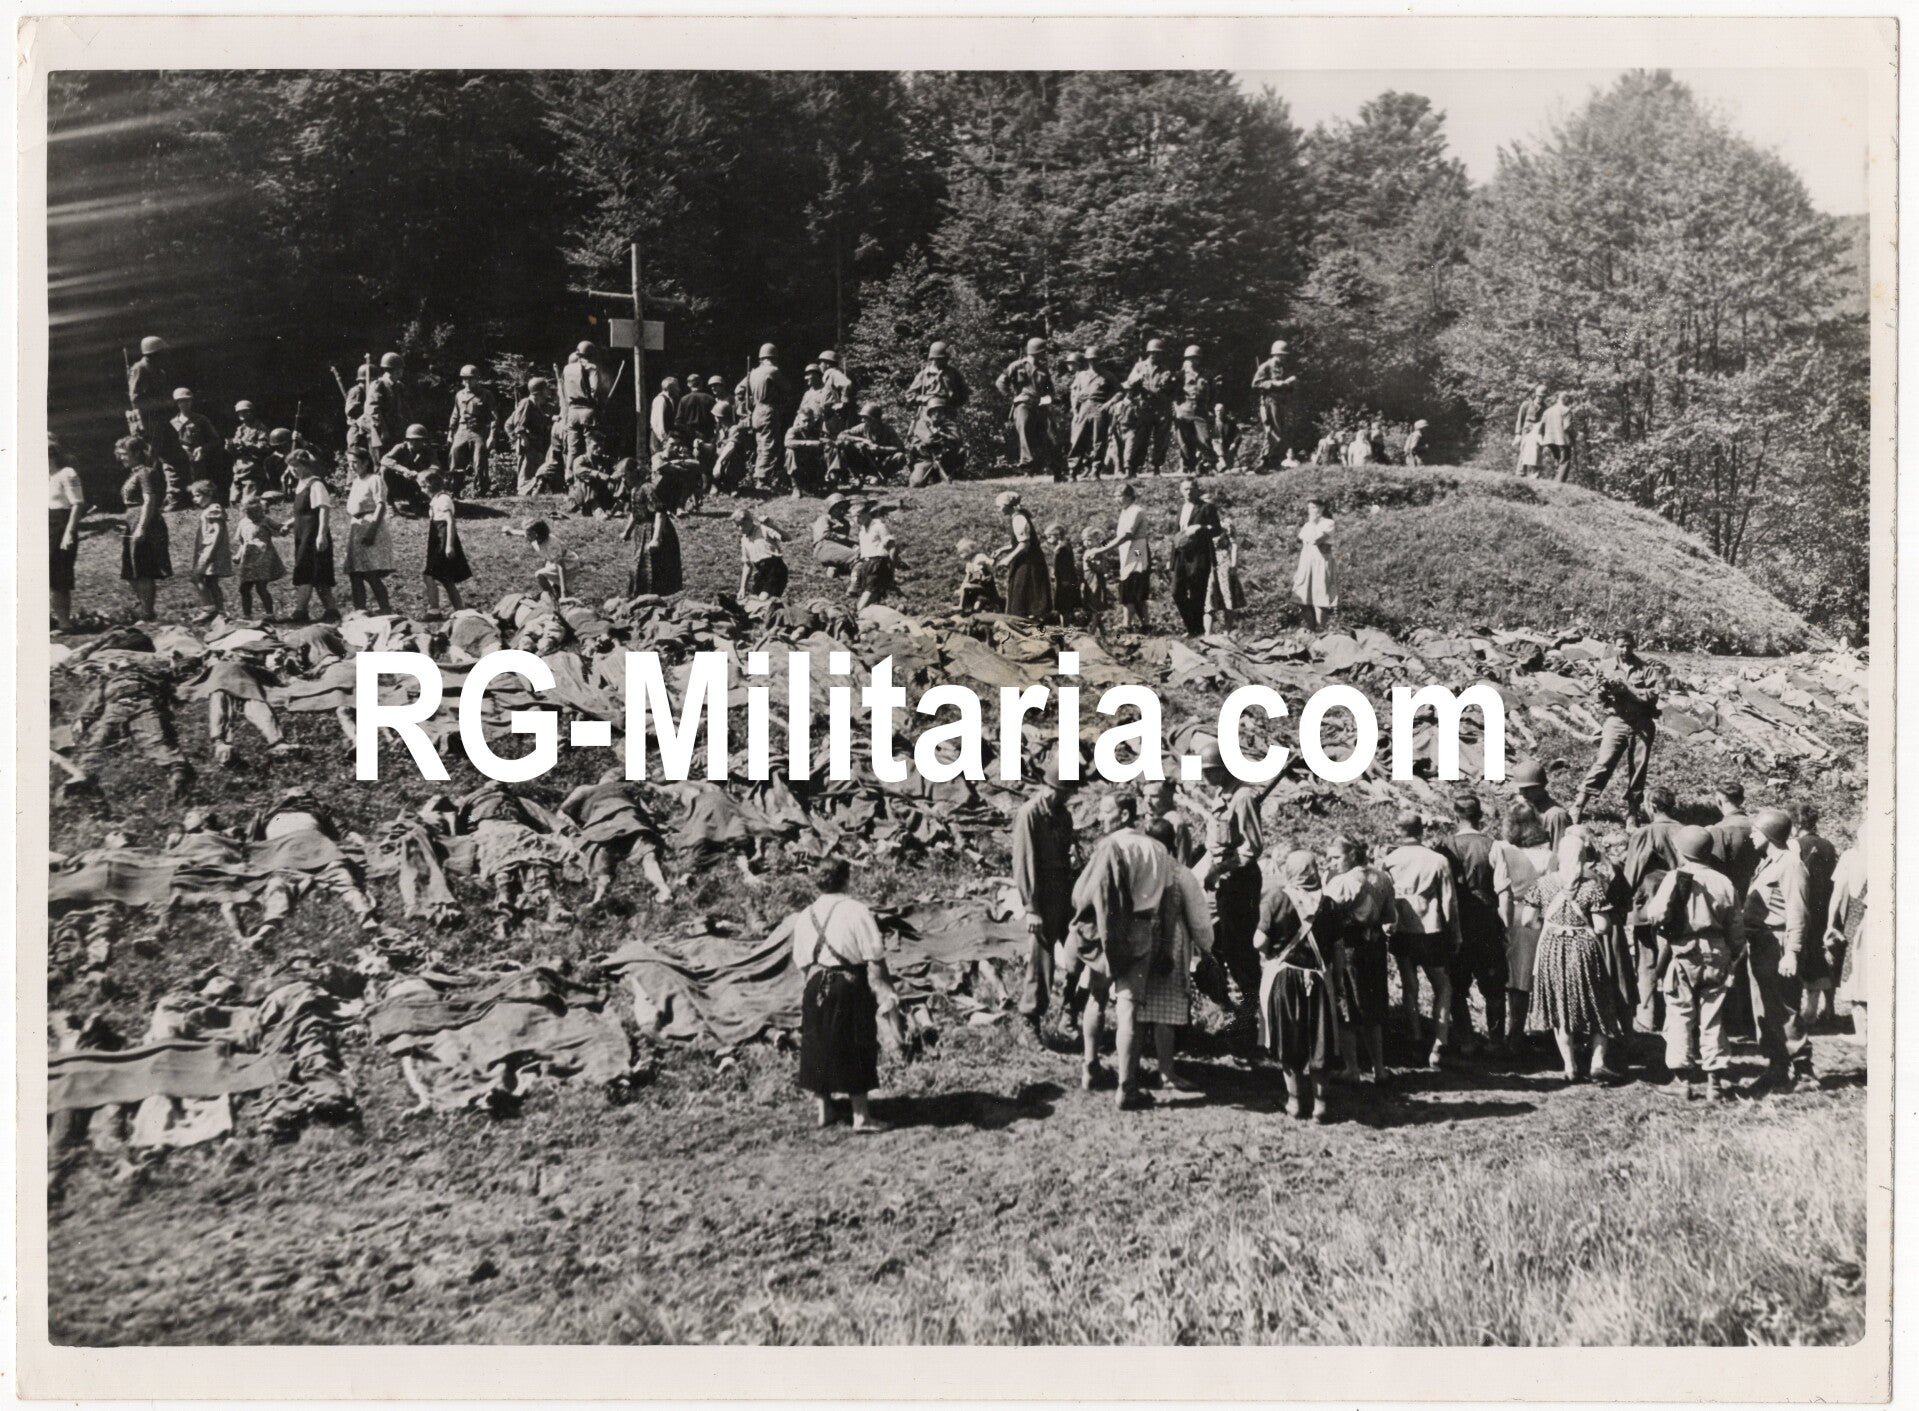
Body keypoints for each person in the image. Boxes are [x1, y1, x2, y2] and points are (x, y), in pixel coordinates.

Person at [1068, 791, 1170, 1109]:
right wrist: (1164, 944)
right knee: (1128, 1009)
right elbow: (1165, 903)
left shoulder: (1108, 847)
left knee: (1096, 997)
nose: (1101, 818)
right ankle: (1127, 1087)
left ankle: (1090, 1067)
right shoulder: (1158, 849)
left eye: (1106, 811)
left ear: (1124, 815)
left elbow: (1084, 893)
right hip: (1142, 929)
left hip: (1106, 927)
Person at [788, 858, 900, 1133]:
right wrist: (886, 991)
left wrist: (813, 987)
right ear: (846, 879)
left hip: (815, 984)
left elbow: (801, 961)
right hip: (849, 985)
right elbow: (874, 956)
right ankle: (861, 1117)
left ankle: (824, 1111)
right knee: (857, 1045)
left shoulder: (806, 914)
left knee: (818, 1046)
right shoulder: (856, 910)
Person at [1647, 825, 1742, 1100]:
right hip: (1717, 951)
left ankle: (1682, 1080)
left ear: (1682, 851)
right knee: (1713, 1017)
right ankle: (1715, 1082)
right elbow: (1735, 923)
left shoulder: (1675, 877)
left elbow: (1657, 914)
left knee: (1679, 1014)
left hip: (1682, 952)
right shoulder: (1724, 881)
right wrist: (1733, 953)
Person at [1525, 828, 1626, 1083]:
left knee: (1561, 1005)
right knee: (1598, 1002)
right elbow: (1602, 927)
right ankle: (1597, 1061)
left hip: (1551, 946)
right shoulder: (1591, 887)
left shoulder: (1544, 883)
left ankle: (1569, 1066)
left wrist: (1548, 928)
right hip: (1583, 947)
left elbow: (1528, 920)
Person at [1254, 850, 1343, 1120]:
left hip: (1285, 978)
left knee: (1287, 1038)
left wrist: (1268, 953)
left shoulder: (1276, 899)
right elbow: (1338, 950)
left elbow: (1259, 942)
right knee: (1320, 1040)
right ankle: (1321, 1104)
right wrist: (1337, 983)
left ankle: (1294, 1102)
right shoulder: (1329, 905)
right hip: (1317, 978)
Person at [1743, 807, 1816, 1091]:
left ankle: (1804, 1071)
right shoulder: (1768, 863)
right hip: (1761, 944)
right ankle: (1777, 1066)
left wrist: (1792, 952)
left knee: (1784, 1008)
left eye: (1755, 831)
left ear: (1769, 834)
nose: (1750, 835)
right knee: (1766, 1009)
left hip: (1779, 945)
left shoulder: (1790, 864)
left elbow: (1798, 912)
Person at [1142, 816, 1213, 1092]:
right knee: (1166, 1010)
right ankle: (1166, 1071)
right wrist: (1206, 947)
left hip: (1139, 937)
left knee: (1137, 1005)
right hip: (1171, 942)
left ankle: (1132, 1068)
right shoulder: (1181, 872)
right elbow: (1199, 918)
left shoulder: (1139, 866)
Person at [1012, 756, 1080, 1041]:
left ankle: (1071, 1013)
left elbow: (1068, 851)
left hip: (1066, 891)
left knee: (1081, 952)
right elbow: (1023, 861)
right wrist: (1031, 907)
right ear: (1053, 788)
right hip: (1042, 895)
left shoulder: (1063, 815)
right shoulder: (1030, 814)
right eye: (1066, 792)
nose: (1068, 797)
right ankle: (1030, 1022)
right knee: (1042, 961)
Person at [1381, 814, 1457, 1068]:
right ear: (1421, 830)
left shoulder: (1389, 861)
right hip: (1431, 930)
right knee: (1443, 987)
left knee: (1410, 987)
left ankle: (1414, 1039)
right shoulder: (1438, 860)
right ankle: (1439, 1043)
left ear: (1398, 830)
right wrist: (1455, 933)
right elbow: (1449, 902)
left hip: (1402, 930)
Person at [1198, 743, 1265, 1031]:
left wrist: (1217, 870)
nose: (1205, 777)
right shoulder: (1222, 796)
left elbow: (1251, 849)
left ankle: (1252, 1014)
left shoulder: (1243, 798)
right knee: (1213, 945)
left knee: (1240, 950)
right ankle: (1230, 1006)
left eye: (1209, 771)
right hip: (1222, 882)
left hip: (1239, 882)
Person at [1441, 794, 1511, 1056]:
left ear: (1455, 816)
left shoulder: (1445, 846)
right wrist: (1504, 925)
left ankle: (1466, 1039)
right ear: (1480, 816)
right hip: (1486, 921)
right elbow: (1503, 890)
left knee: (1458, 984)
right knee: (1493, 984)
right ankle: (1496, 1041)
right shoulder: (1494, 846)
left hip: (1457, 919)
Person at [1321, 835, 1392, 1084]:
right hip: (1375, 946)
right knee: (1373, 1006)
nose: (1331, 862)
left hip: (1349, 948)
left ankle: (1352, 1069)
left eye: (1336, 857)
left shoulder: (1341, 882)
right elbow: (1389, 915)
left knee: (1347, 1006)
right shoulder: (1382, 877)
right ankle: (1379, 1069)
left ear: (1351, 855)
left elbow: (1325, 917)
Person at [1573, 630, 1662, 824]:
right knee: (1604, 762)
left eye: (1629, 645)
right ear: (1614, 646)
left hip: (1642, 723)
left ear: (1635, 645)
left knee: (1638, 768)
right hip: (1617, 721)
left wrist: (1627, 689)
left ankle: (1632, 811)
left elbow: (1652, 697)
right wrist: (1603, 691)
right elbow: (1597, 694)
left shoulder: (1646, 669)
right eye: (1621, 645)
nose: (1625, 649)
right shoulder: (1605, 666)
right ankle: (1580, 802)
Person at [1620, 786, 1686, 1034]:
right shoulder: (1685, 831)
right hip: (1679, 904)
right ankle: (1676, 1016)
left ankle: (1646, 1016)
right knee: (1674, 959)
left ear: (1652, 806)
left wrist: (1622, 900)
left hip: (1648, 904)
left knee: (1647, 960)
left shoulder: (1645, 833)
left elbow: (1632, 872)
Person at [560, 767, 672, 905]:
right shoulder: (625, 787)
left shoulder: (586, 789)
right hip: (626, 817)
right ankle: (663, 889)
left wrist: (575, 827)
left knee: (601, 857)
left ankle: (598, 897)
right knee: (647, 854)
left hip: (600, 824)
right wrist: (658, 825)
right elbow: (646, 810)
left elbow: (564, 809)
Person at [1790, 803, 1840, 1027]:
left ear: (1797, 824)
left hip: (1803, 905)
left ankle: (1807, 1011)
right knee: (1820, 955)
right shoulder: (1828, 845)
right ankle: (1820, 1007)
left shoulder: (1794, 845)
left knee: (1803, 954)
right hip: (1825, 907)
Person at [116, 435, 170, 620]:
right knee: (132, 569)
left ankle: (147, 613)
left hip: (144, 522)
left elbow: (149, 500)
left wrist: (141, 527)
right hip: (132, 521)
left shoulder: (146, 472)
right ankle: (144, 607)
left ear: (137, 453)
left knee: (143, 569)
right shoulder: (135, 473)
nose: (121, 458)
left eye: (125, 454)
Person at [284, 451, 339, 623]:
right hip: (302, 535)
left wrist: (321, 534)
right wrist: (289, 523)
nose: (293, 470)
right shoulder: (300, 484)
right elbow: (303, 513)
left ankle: (300, 611)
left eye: (296, 466)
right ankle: (332, 611)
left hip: (313, 535)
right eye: (291, 467)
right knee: (318, 575)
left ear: (306, 465)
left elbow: (323, 509)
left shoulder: (315, 484)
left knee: (306, 571)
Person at [996, 337, 1059, 477]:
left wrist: (1048, 398)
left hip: (1040, 405)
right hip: (1023, 405)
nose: (1045, 354)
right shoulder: (1017, 366)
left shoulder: (1044, 370)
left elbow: (1050, 390)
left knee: (1050, 434)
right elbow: (1000, 383)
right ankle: (1027, 468)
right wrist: (1012, 399)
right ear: (1036, 352)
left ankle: (1056, 469)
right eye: (1043, 351)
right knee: (1025, 432)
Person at [1092, 483, 1152, 631]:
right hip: (1127, 550)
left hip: (1137, 550)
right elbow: (1118, 536)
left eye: (1121, 496)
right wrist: (1104, 544)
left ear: (1130, 496)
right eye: (1116, 496)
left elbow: (1126, 535)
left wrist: (1104, 549)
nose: (1118, 499)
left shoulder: (1136, 511)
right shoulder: (1125, 512)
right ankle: (1138, 624)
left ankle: (1131, 624)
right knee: (1130, 587)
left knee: (1132, 586)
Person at [1827, 839, 1868, 1043]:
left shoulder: (1851, 857)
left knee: (1855, 970)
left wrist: (1829, 925)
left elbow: (1837, 892)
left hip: (1858, 917)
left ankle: (1863, 1032)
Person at [343, 454, 395, 614]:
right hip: (356, 527)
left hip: (371, 525)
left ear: (366, 463)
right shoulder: (356, 481)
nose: (352, 466)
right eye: (349, 462)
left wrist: (372, 530)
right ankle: (360, 610)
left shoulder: (375, 479)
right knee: (355, 572)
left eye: (355, 462)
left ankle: (385, 609)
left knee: (370, 572)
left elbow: (381, 505)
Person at [622, 461, 682, 597]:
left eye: (625, 476)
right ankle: (639, 596)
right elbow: (635, 512)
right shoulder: (634, 490)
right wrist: (627, 531)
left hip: (656, 531)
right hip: (641, 531)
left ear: (633, 473)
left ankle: (656, 598)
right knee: (639, 566)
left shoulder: (647, 488)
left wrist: (656, 538)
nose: (623, 480)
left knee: (655, 567)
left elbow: (660, 512)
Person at [745, 343, 799, 490]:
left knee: (761, 445)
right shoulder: (773, 371)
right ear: (774, 357)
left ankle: (760, 476)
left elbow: (740, 389)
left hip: (756, 411)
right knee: (769, 445)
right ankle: (761, 480)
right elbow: (787, 388)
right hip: (768, 409)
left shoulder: (753, 372)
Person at [1171, 477, 1220, 636]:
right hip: (1181, 555)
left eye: (1192, 488)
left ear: (1197, 489)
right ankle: (1193, 626)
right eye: (1185, 489)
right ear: (1180, 491)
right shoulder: (1181, 509)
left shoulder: (1206, 508)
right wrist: (1172, 559)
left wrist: (1201, 527)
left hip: (1199, 555)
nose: (1189, 491)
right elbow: (1176, 534)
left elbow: (1217, 529)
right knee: (1176, 591)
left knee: (1197, 592)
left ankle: (1196, 630)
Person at [996, 490, 1052, 622]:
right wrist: (1002, 550)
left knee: (1024, 590)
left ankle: (1027, 621)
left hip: (1029, 562)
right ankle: (1025, 619)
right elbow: (1018, 543)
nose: (999, 510)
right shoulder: (1017, 517)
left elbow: (1024, 545)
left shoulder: (1019, 519)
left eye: (999, 506)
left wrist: (1007, 559)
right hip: (1025, 559)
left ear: (1007, 505)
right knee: (1020, 590)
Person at [1122, 339, 1176, 475]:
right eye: (1153, 353)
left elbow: (1171, 389)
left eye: (1158, 353)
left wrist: (1168, 382)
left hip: (1161, 407)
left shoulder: (1165, 369)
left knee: (1161, 439)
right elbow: (1129, 382)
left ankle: (1157, 467)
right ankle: (1133, 468)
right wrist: (1138, 378)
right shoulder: (1139, 366)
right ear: (1148, 352)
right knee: (1140, 438)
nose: (1155, 356)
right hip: (1144, 407)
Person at [420, 471, 470, 615]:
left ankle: (436, 610)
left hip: (443, 540)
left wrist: (449, 545)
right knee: (443, 577)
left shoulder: (443, 499)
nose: (421, 490)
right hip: (436, 540)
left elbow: (450, 521)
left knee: (433, 575)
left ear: (430, 486)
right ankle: (459, 609)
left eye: (423, 487)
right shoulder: (436, 500)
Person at [50, 444, 87, 633]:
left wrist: (69, 532)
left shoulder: (67, 473)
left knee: (59, 574)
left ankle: (65, 623)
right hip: (43, 524)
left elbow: (78, 504)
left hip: (61, 524)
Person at [447, 364, 500, 495]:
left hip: (478, 431)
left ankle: (481, 491)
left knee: (479, 461)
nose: (468, 382)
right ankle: (455, 490)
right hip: (461, 431)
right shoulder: (459, 395)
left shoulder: (486, 394)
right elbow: (455, 415)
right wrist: (450, 433)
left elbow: (494, 417)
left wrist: (491, 436)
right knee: (455, 457)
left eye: (471, 378)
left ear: (477, 379)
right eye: (465, 379)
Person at [905, 341, 970, 444]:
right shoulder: (924, 374)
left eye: (944, 359)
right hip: (927, 414)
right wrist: (924, 399)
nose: (941, 361)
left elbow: (964, 393)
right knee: (928, 441)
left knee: (956, 442)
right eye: (938, 359)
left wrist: (954, 402)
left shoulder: (953, 373)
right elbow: (909, 395)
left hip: (947, 412)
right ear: (932, 358)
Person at [506, 376, 560, 495]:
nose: (548, 391)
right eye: (546, 389)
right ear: (539, 391)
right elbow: (518, 423)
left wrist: (551, 418)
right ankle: (522, 493)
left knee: (533, 469)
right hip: (527, 443)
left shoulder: (537, 405)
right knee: (525, 470)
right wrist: (523, 439)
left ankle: (530, 493)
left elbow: (539, 420)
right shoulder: (526, 402)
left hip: (535, 443)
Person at [170, 388, 226, 502]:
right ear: (177, 403)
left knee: (199, 484)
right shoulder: (172, 422)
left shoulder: (201, 419)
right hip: (179, 459)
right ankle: (183, 502)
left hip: (197, 458)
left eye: (188, 400)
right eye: (182, 401)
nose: (185, 403)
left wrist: (202, 448)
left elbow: (216, 440)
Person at [187, 480, 233, 619]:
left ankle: (210, 609)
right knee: (211, 581)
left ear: (208, 494)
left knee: (197, 577)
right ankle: (220, 611)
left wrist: (210, 553)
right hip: (207, 550)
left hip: (211, 551)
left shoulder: (214, 509)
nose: (194, 499)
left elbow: (218, 532)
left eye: (197, 495)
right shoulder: (209, 510)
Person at [234, 498, 285, 620]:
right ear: (245, 511)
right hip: (248, 560)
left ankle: (270, 614)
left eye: (258, 511)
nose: (255, 515)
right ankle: (247, 615)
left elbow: (280, 529)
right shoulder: (243, 523)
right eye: (250, 512)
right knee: (244, 587)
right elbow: (243, 542)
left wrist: (286, 527)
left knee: (261, 586)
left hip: (263, 558)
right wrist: (238, 555)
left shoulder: (265, 521)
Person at [1068, 348, 1114, 480]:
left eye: (1095, 360)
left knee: (1099, 441)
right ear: (1087, 361)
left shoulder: (1108, 375)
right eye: (1090, 360)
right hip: (1083, 409)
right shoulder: (1081, 375)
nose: (1093, 363)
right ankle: (1073, 471)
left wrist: (1108, 404)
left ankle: (1095, 471)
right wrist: (1075, 411)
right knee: (1078, 440)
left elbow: (1120, 392)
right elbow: (1074, 395)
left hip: (1099, 408)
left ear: (1100, 360)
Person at [1708, 780, 1760, 897]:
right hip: (1758, 893)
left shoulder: (1719, 829)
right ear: (1742, 800)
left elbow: (1716, 871)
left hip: (1732, 895)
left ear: (1719, 801)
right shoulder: (1759, 824)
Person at [1292, 497, 1337, 632]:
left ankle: (1321, 629)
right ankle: (1311, 630)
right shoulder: (1307, 525)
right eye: (1309, 508)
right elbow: (1303, 544)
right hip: (1306, 563)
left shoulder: (1328, 523)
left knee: (1320, 599)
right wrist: (1299, 569)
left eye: (1314, 507)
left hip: (1321, 563)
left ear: (1322, 508)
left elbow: (1316, 540)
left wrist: (1312, 523)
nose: (1311, 511)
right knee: (1302, 600)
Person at [837, 402, 908, 486]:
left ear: (875, 419)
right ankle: (858, 477)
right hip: (865, 462)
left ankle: (880, 478)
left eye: (866, 418)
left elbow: (900, 448)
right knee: (846, 445)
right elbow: (841, 435)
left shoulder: (888, 430)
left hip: (883, 463)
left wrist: (881, 449)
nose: (862, 420)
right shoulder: (863, 427)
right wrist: (862, 440)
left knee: (899, 457)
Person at [561, 342, 607, 471]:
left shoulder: (567, 368)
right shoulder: (591, 367)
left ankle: (569, 478)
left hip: (572, 411)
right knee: (592, 445)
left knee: (573, 448)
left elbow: (564, 391)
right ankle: (592, 475)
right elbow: (595, 389)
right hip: (587, 411)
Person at [505, 518, 575, 603]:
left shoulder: (551, 544)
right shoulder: (534, 538)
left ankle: (554, 599)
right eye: (526, 533)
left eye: (529, 534)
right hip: (553, 561)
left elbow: (561, 567)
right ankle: (553, 594)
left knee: (540, 574)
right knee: (550, 580)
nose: (526, 536)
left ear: (537, 534)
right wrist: (510, 531)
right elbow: (522, 533)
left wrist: (563, 594)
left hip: (568, 563)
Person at [1251, 340, 1296, 469]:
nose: (1284, 357)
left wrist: (1289, 384)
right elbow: (1255, 383)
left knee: (1281, 432)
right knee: (1273, 432)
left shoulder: (1283, 367)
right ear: (1275, 354)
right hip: (1270, 402)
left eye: (1285, 355)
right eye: (1282, 355)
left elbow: (1287, 387)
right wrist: (1273, 383)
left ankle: (1274, 462)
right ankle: (1264, 461)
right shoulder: (1266, 366)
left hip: (1282, 402)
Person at [1173, 345, 1217, 475]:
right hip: (1184, 409)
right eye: (1191, 358)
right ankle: (1188, 467)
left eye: (1196, 358)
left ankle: (1210, 465)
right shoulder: (1180, 375)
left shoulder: (1206, 374)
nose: (1193, 361)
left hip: (1201, 410)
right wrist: (1177, 409)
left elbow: (1214, 392)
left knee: (1205, 439)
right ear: (1186, 359)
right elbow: (1173, 393)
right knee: (1185, 441)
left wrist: (1210, 408)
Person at [1510, 760, 1573, 850]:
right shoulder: (1526, 809)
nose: (1524, 794)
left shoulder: (1555, 816)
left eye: (1529, 789)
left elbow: (1559, 854)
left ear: (1542, 786)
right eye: (1521, 789)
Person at [377, 424, 437, 516]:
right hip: (398, 483)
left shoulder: (427, 450)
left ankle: (415, 502)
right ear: (407, 440)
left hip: (416, 484)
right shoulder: (400, 447)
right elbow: (385, 460)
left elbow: (436, 467)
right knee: (384, 470)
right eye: (413, 440)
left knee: (434, 476)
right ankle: (389, 504)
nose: (416, 443)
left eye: (419, 440)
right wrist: (403, 470)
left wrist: (421, 474)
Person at [853, 498, 899, 611]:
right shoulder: (862, 531)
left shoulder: (879, 526)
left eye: (859, 516)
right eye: (854, 517)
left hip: (877, 563)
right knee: (862, 591)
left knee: (870, 590)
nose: (856, 520)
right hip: (865, 564)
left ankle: (858, 612)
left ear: (866, 513)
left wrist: (892, 568)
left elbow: (892, 547)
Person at [734, 506, 789, 601]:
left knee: (763, 599)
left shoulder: (764, 529)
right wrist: (742, 588)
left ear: (750, 520)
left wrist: (772, 526)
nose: (740, 528)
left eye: (742, 524)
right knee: (752, 601)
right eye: (737, 525)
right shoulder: (744, 540)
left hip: (775, 569)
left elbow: (787, 538)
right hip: (761, 572)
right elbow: (747, 565)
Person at [365, 352, 408, 467]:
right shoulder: (378, 385)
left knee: (397, 463)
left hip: (396, 431)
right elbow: (373, 409)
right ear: (392, 370)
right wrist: (383, 430)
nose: (401, 372)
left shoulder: (399, 386)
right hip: (382, 434)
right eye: (399, 369)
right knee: (381, 464)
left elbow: (404, 409)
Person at [811, 493, 857, 577]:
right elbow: (824, 534)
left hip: (840, 548)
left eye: (844, 508)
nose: (842, 511)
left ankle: (835, 567)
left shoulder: (845, 523)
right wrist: (839, 536)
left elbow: (845, 541)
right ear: (831, 508)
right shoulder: (824, 519)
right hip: (824, 547)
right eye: (839, 508)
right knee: (855, 556)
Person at [1046, 523, 1083, 626]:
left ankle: (1066, 629)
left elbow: (1063, 566)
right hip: (1066, 580)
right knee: (1066, 608)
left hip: (1064, 582)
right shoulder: (1065, 546)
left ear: (1057, 535)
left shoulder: (1062, 548)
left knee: (1064, 608)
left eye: (1050, 536)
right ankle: (1067, 628)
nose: (1048, 539)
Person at [956, 540, 1002, 614]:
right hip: (978, 587)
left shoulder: (979, 557)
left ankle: (961, 606)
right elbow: (967, 578)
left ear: (969, 551)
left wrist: (994, 558)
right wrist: (960, 589)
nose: (961, 556)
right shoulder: (969, 564)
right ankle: (971, 608)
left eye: (962, 553)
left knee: (966, 587)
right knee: (976, 609)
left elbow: (991, 562)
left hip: (987, 586)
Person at [1513, 382, 1546, 477]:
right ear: (1535, 394)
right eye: (1539, 396)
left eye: (1543, 397)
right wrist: (1518, 433)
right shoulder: (1526, 404)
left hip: (1538, 432)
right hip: (1526, 431)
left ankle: (1534, 475)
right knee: (1524, 451)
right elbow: (1520, 419)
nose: (1541, 398)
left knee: (1536, 452)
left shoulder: (1545, 408)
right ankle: (1520, 473)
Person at [1541, 391, 1574, 482]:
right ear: (1566, 399)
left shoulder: (1548, 411)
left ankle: (1553, 479)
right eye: (1568, 399)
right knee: (1565, 460)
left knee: (1557, 459)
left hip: (1549, 440)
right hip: (1562, 439)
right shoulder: (1566, 410)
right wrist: (1573, 437)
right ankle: (1559, 482)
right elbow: (1567, 427)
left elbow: (1542, 425)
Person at [648, 375, 681, 455]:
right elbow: (657, 423)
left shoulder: (670, 400)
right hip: (659, 440)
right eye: (676, 387)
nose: (678, 389)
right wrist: (664, 440)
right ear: (669, 387)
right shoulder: (660, 400)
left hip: (666, 439)